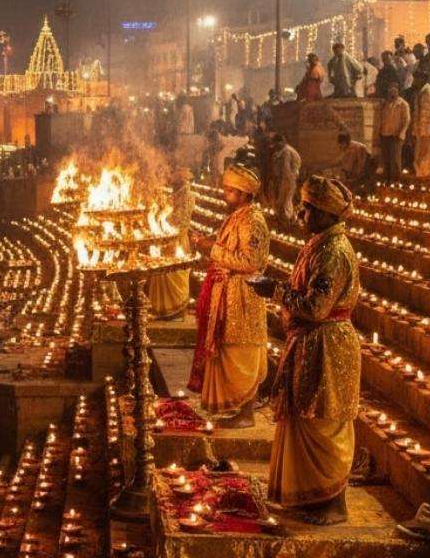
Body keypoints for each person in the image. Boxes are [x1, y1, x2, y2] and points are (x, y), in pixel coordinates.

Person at [253, 176, 361, 525]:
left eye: (309, 208)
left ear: (328, 214)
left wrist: (275, 290)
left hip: (328, 346)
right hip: (311, 342)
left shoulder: (334, 252)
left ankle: (333, 504)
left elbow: (316, 307)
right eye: (302, 206)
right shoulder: (319, 243)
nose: (301, 213)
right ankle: (310, 498)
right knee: (305, 416)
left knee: (323, 421)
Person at [189, 165, 270, 428]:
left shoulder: (253, 221)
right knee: (228, 350)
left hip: (244, 295)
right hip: (227, 292)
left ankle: (246, 414)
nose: (225, 194)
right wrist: (206, 244)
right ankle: (236, 409)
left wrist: (211, 249)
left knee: (243, 351)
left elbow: (252, 262)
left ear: (244, 194)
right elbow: (225, 247)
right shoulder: (237, 216)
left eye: (230, 190)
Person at [147, 168, 194, 320]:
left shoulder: (188, 196)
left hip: (177, 241)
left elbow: (180, 221)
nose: (169, 178)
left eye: (172, 175)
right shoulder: (173, 195)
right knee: (160, 273)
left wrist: (161, 216)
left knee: (174, 274)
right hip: (165, 239)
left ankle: (175, 312)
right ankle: (160, 309)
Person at [378, 83, 410, 180]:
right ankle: (387, 180)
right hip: (385, 134)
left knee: (395, 160)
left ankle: (396, 180)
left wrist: (401, 133)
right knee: (386, 159)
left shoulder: (403, 104)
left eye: (394, 90)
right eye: (390, 90)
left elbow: (406, 120)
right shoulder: (385, 104)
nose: (392, 93)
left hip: (396, 136)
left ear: (398, 91)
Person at [270, 133, 302, 225]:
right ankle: (283, 219)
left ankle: (287, 220)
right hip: (284, 179)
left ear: (280, 142)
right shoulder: (282, 151)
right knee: (282, 200)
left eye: (275, 143)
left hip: (287, 179)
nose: (274, 146)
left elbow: (286, 168)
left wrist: (285, 179)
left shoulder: (286, 152)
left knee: (285, 200)